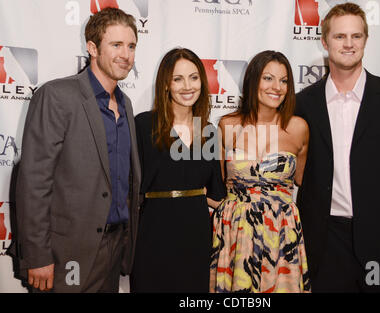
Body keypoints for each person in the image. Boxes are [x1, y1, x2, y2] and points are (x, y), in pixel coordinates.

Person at [294, 2, 380, 292]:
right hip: (324, 241)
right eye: (340, 36)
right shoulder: (302, 104)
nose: (349, 44)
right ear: (324, 41)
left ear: (366, 40)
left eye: (356, 36)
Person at [11, 7, 141, 292]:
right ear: (92, 48)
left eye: (131, 46)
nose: (126, 54)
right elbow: (34, 181)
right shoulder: (57, 96)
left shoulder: (127, 104)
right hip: (65, 253)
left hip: (114, 249)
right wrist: (37, 256)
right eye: (116, 45)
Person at [210, 50, 311, 293]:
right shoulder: (227, 125)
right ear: (252, 81)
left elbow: (303, 181)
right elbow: (218, 183)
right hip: (235, 231)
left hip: (281, 233)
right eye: (268, 78)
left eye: (284, 80)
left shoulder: (298, 128)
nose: (277, 87)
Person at [130, 48, 226, 293]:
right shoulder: (142, 125)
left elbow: (217, 195)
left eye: (194, 78)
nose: (187, 86)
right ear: (165, 85)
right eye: (178, 79)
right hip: (153, 233)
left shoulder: (208, 132)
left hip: (196, 236)